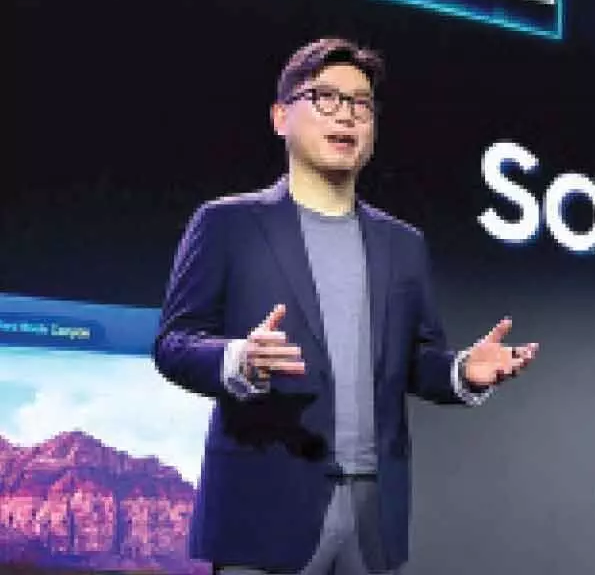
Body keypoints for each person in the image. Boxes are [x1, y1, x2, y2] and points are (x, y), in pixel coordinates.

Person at [152, 37, 538, 574]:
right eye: (326, 97)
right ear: (280, 117)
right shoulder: (227, 224)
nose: (348, 115)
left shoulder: (403, 244)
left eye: (361, 104)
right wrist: (239, 359)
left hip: (373, 514)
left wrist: (461, 373)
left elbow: (416, 361)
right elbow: (174, 344)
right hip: (264, 510)